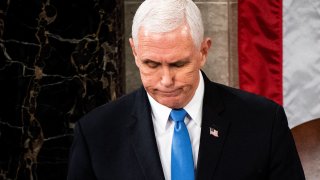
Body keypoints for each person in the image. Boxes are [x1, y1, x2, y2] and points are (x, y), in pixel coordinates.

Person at [67, 0, 305, 179]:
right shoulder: (96, 134)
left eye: (178, 64)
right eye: (151, 64)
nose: (166, 80)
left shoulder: (264, 121)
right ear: (134, 52)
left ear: (203, 51)